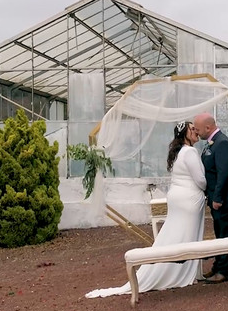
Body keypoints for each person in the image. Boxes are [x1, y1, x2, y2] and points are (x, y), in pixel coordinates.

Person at [85, 121, 206, 298]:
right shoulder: (190, 152)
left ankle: (174, 268)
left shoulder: (178, 152)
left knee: (174, 235)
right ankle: (180, 272)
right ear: (185, 134)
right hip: (189, 200)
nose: (196, 131)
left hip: (177, 198)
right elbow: (200, 180)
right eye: (192, 129)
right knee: (186, 237)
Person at [193, 112, 228, 284]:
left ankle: (224, 271)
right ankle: (218, 266)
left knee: (227, 235)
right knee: (220, 234)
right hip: (219, 198)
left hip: (227, 200)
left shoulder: (222, 143)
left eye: (198, 129)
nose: (197, 132)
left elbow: (223, 174)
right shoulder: (213, 143)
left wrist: (217, 198)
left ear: (208, 128)